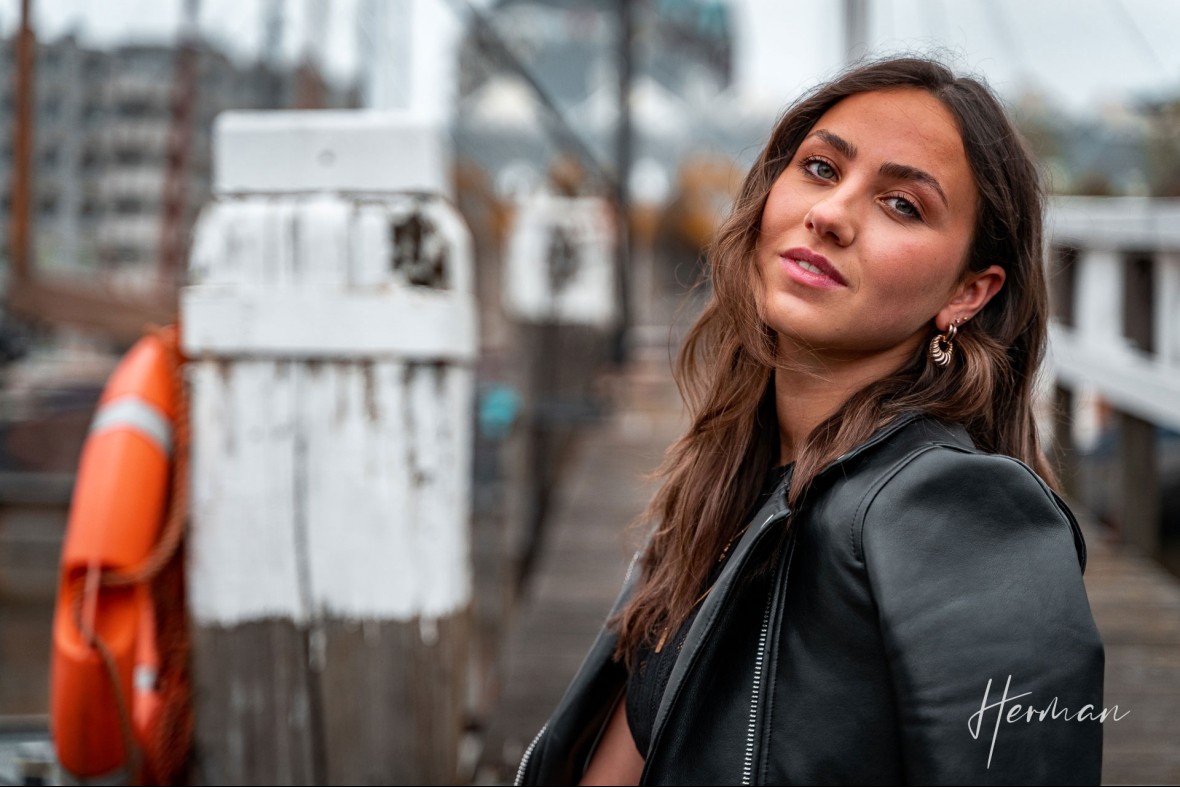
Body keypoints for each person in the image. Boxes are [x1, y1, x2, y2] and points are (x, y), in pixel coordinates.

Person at [514, 56, 1106, 786]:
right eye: (822, 169)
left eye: (902, 205)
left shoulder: (958, 513)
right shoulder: (723, 492)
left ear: (967, 293)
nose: (829, 215)